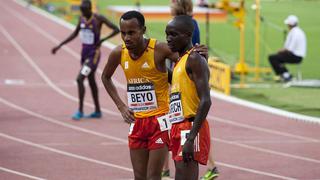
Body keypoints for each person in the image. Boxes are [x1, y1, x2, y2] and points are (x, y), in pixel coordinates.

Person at [101, 10, 207, 180]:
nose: (127, 38)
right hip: (137, 122)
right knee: (139, 177)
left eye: (131, 33)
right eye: (123, 33)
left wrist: (199, 55)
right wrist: (121, 106)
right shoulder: (118, 53)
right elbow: (105, 77)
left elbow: (185, 61)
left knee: (153, 177)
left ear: (143, 30)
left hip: (160, 121)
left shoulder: (159, 49)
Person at [51, 0, 119, 120]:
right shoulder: (81, 19)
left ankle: (80, 111)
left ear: (90, 9)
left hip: (94, 55)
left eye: (85, 11)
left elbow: (116, 29)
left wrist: (103, 40)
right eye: (81, 11)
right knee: (91, 81)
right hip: (84, 54)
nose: (83, 13)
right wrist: (60, 45)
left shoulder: (98, 18)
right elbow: (74, 34)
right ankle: (97, 111)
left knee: (80, 79)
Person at [165, 15, 212, 180]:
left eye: (173, 34)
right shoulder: (180, 60)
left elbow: (206, 100)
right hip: (178, 124)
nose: (168, 39)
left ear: (187, 35)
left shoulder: (194, 58)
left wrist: (191, 137)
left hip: (191, 127)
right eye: (167, 34)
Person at [268, 15, 307, 82]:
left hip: (296, 56)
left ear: (290, 24)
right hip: (297, 55)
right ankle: (284, 74)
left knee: (272, 58)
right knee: (277, 57)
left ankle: (286, 75)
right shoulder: (298, 31)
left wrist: (281, 50)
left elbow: (290, 49)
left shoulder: (295, 33)